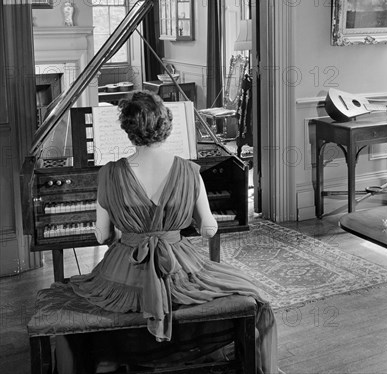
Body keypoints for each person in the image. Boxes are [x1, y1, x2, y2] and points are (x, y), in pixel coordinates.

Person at [56, 90, 277, 373]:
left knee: (73, 298)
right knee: (254, 293)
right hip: (179, 268)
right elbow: (209, 229)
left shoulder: (109, 173)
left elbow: (101, 236)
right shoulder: (189, 171)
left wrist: (125, 232)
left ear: (128, 129)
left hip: (124, 269)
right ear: (166, 125)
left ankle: (116, 356)